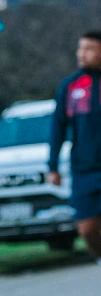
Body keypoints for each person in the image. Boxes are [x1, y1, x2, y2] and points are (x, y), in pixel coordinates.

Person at [48, 30, 101, 265]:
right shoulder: (70, 86)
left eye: (89, 48)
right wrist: (52, 166)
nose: (82, 53)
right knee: (87, 229)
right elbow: (57, 128)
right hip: (84, 170)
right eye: (80, 48)